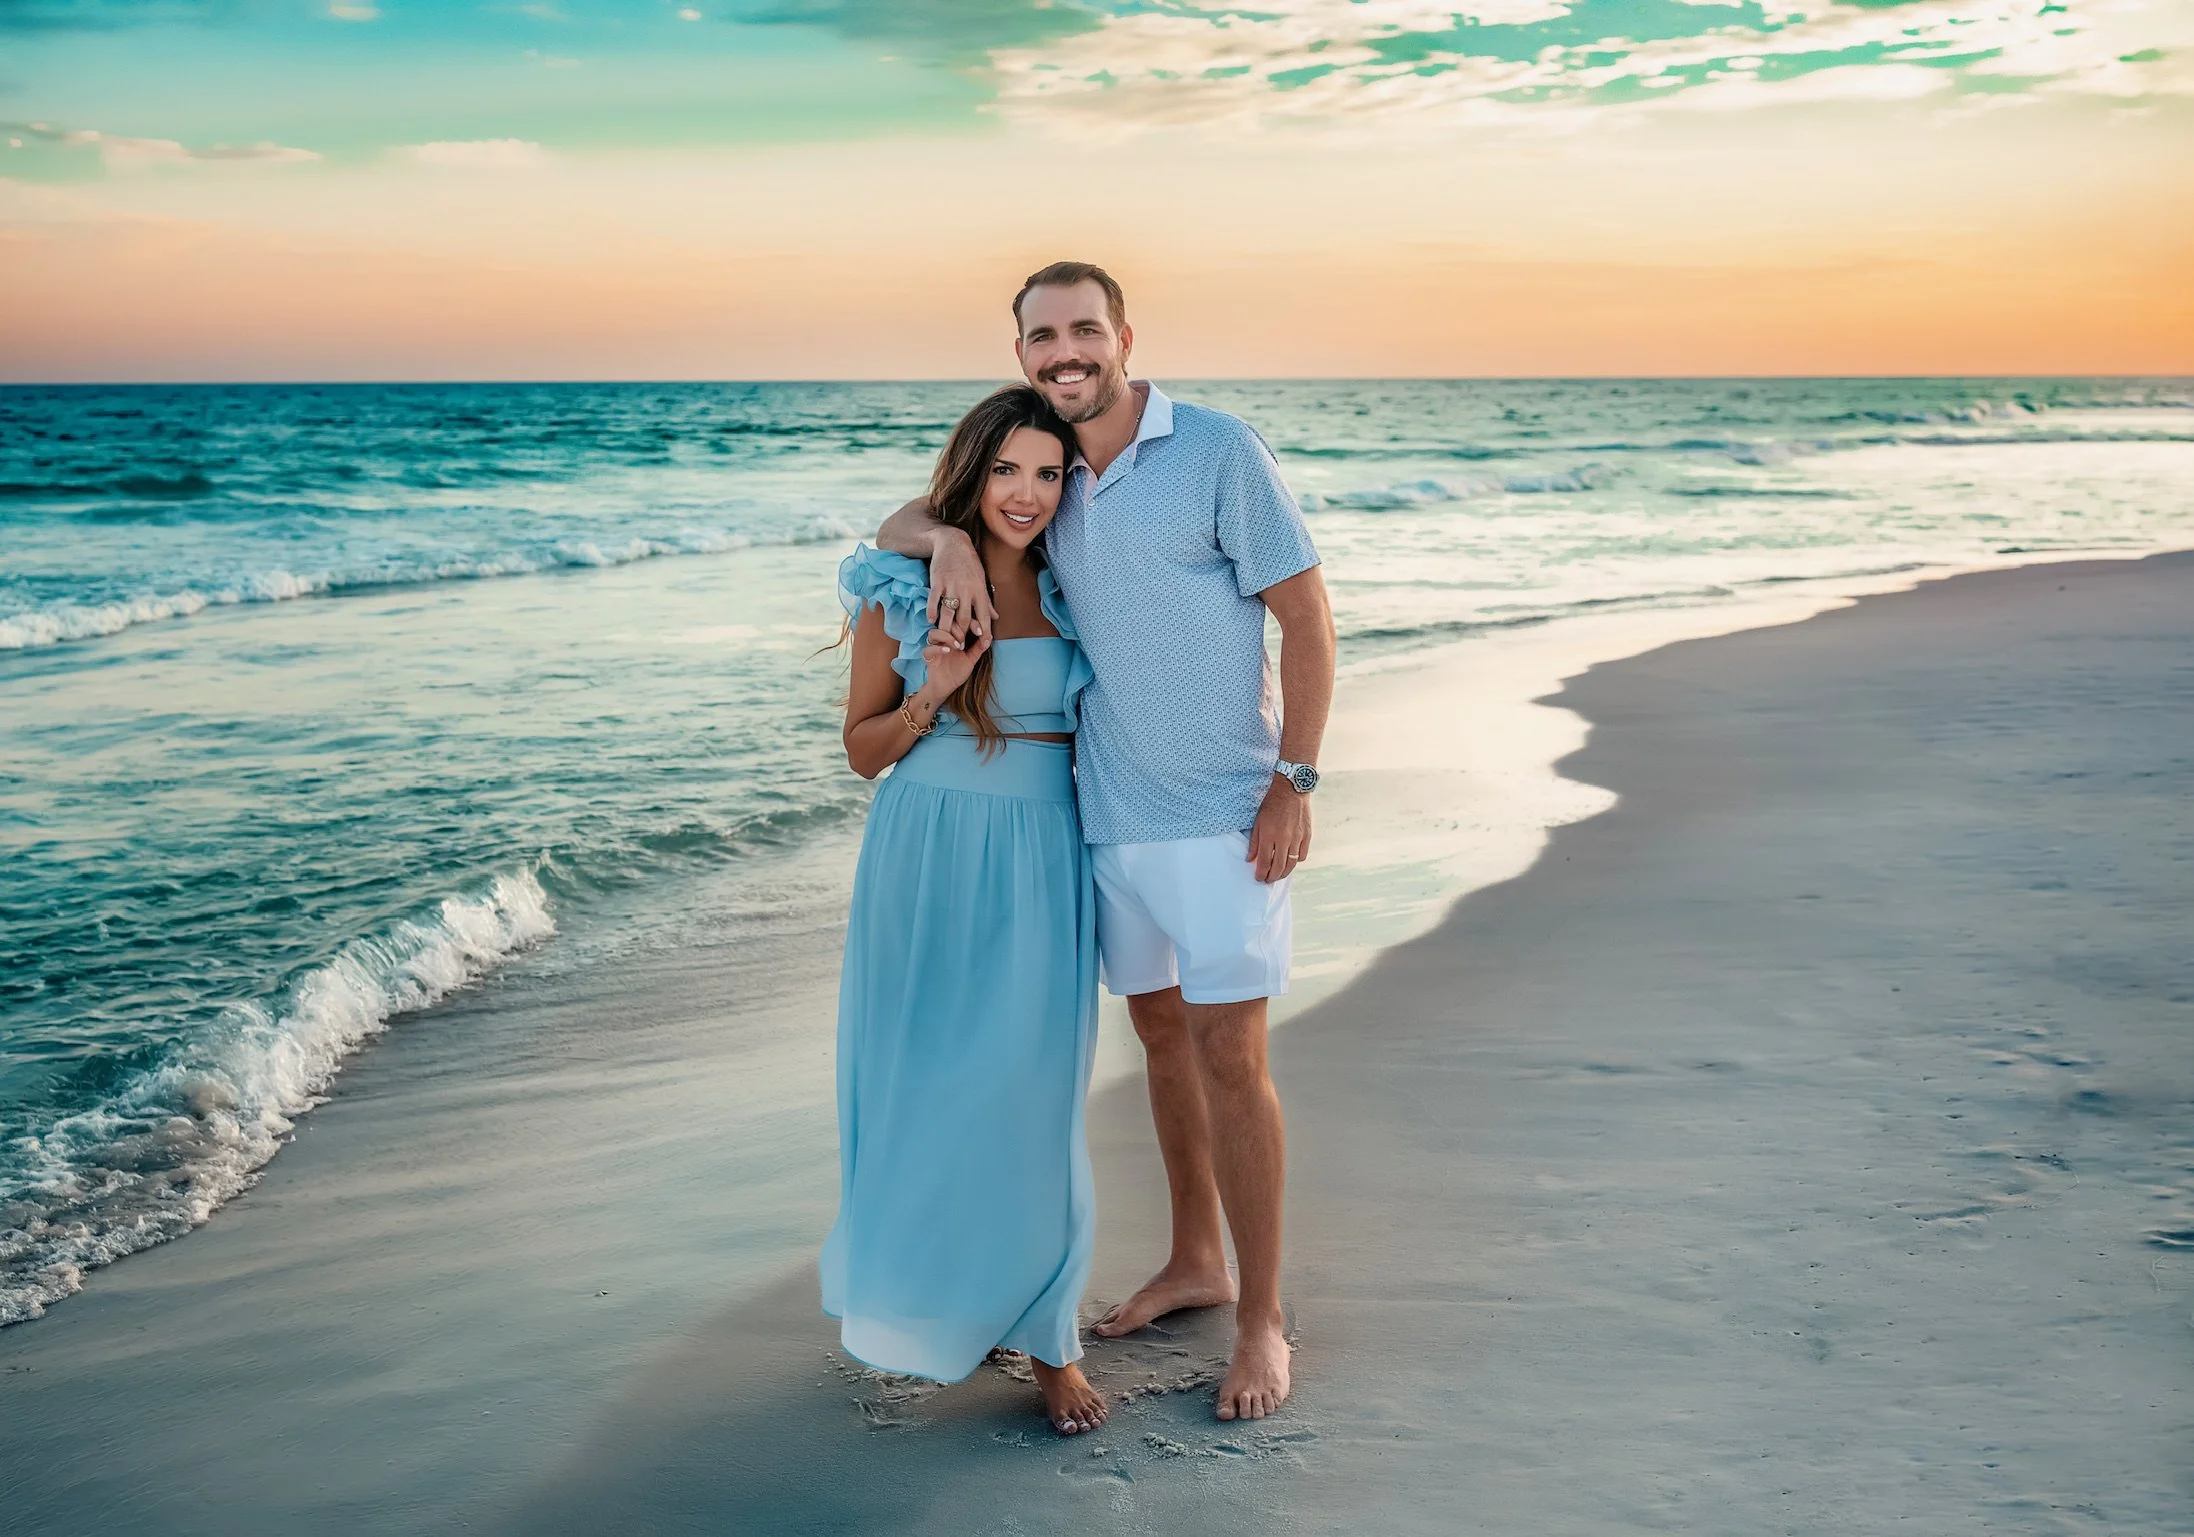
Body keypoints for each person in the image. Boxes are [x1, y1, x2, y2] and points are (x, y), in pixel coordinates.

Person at [878, 262, 1336, 1423]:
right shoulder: (1047, 468)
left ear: (1124, 334)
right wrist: (942, 545)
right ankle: (1194, 1258)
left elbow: (1307, 617)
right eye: (1043, 336)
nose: (1065, 350)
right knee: (1161, 1038)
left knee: (1234, 1056)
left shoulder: (1217, 450)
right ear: (1022, 353)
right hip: (1105, 818)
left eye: (1085, 329)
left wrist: (1294, 781)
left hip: (1226, 812)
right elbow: (915, 512)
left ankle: (1261, 1318)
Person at [823, 384, 1111, 1437]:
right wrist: (934, 690)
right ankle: (956, 1294)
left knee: (1033, 1094)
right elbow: (862, 753)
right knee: (926, 1082)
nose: (1027, 494)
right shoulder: (897, 583)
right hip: (924, 850)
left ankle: (1051, 1341)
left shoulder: (1080, 584)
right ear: (970, 472)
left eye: (1048, 472)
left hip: (1042, 856)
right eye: (1006, 471)